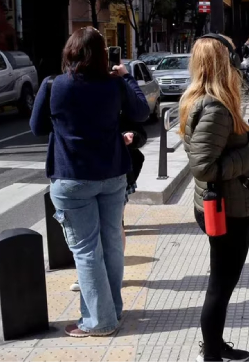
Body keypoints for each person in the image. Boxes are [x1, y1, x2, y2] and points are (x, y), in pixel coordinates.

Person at [30, 27, 150, 337]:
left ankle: (99, 321)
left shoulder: (53, 85)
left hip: (72, 177)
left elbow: (37, 127)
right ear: (101, 55)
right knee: (111, 245)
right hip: (112, 175)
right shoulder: (113, 85)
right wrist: (125, 76)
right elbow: (140, 111)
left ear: (69, 53)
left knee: (86, 251)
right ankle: (112, 311)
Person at [179, 34, 249, 362]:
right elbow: (203, 167)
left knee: (222, 284)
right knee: (220, 287)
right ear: (220, 64)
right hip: (225, 210)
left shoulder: (201, 99)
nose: (234, 63)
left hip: (219, 205)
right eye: (228, 58)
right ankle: (212, 355)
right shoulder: (215, 107)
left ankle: (215, 346)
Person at [70, 115, 147, 292]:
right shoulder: (75, 91)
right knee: (90, 229)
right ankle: (90, 275)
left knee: (114, 227)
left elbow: (139, 127)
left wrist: (130, 136)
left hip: (117, 172)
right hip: (84, 171)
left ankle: (114, 276)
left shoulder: (120, 90)